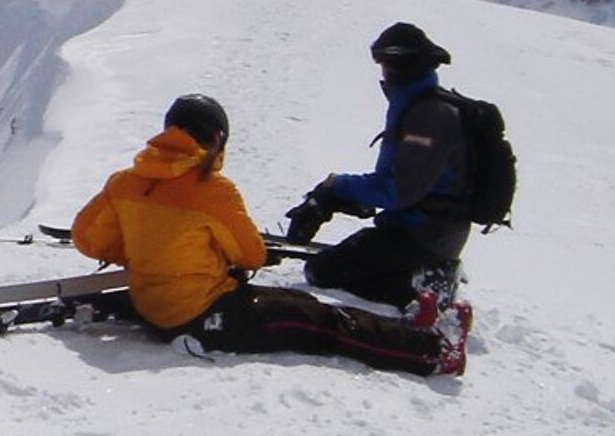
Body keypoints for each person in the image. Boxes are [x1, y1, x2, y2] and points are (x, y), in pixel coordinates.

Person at [72, 93, 467, 376]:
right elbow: (251, 256)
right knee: (320, 322)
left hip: (155, 305)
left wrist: (147, 250)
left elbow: (86, 237)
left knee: (298, 304)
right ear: (215, 139)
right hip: (202, 316)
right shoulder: (212, 189)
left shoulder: (125, 182)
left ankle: (408, 332)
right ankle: (432, 351)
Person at [285, 22, 473, 325]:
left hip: (424, 234)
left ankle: (425, 284)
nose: (382, 71)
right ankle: (420, 275)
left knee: (324, 272)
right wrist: (336, 194)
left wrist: (335, 188)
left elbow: (398, 190)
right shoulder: (417, 105)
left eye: (385, 63)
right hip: (425, 229)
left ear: (402, 65)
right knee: (339, 264)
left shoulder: (428, 116)